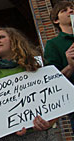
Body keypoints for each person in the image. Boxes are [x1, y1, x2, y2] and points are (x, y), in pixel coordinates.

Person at [0, 27, 60, 141]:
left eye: (2, 37)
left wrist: (49, 122)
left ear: (15, 40)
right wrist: (3, 127)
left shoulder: (35, 66)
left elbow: (56, 97)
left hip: (41, 137)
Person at [44, 1, 74, 132]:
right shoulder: (53, 44)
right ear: (56, 20)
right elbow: (54, 81)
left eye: (72, 8)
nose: (70, 11)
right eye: (64, 10)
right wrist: (70, 65)